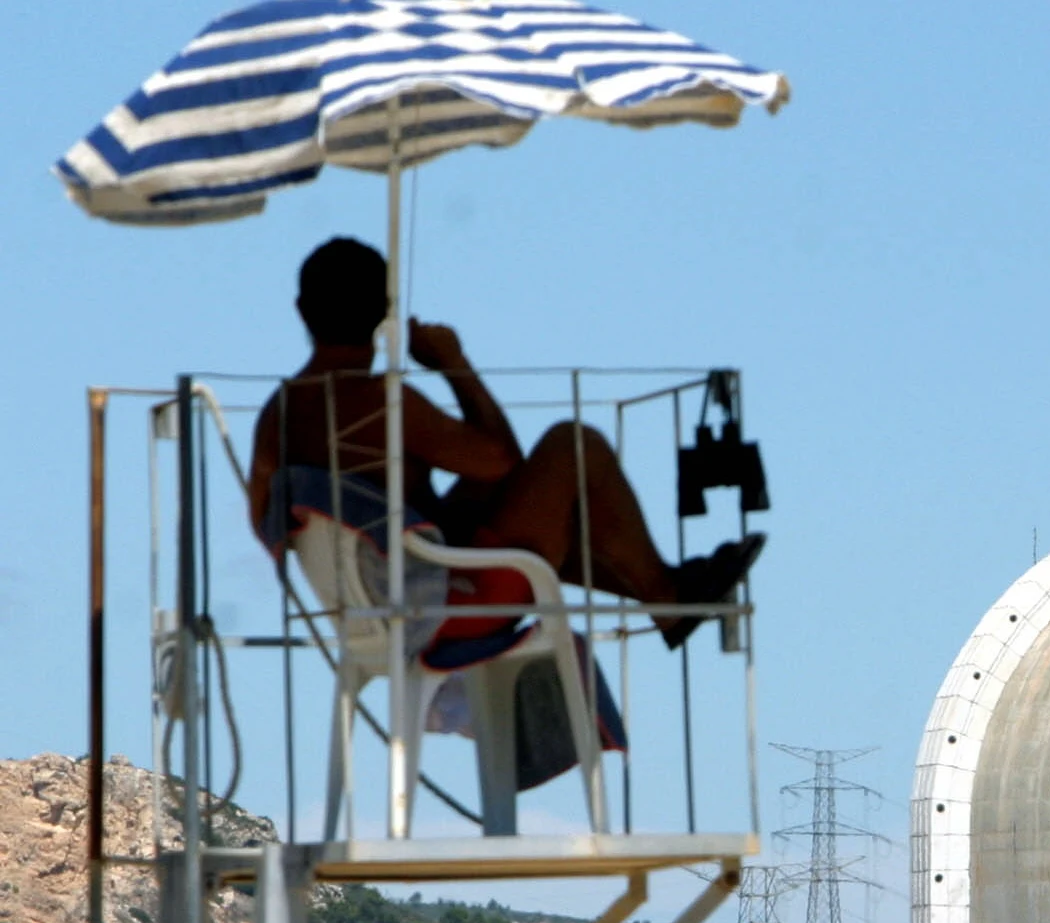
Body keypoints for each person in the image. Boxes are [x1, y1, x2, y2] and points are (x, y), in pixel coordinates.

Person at [247, 237, 760, 650]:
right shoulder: (382, 401)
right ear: (384, 314)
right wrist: (454, 366)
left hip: (360, 611)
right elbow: (501, 461)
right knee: (572, 447)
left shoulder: (279, 412)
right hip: (444, 611)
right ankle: (666, 596)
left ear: (301, 309)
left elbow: (262, 522)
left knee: (520, 503)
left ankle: (665, 595)